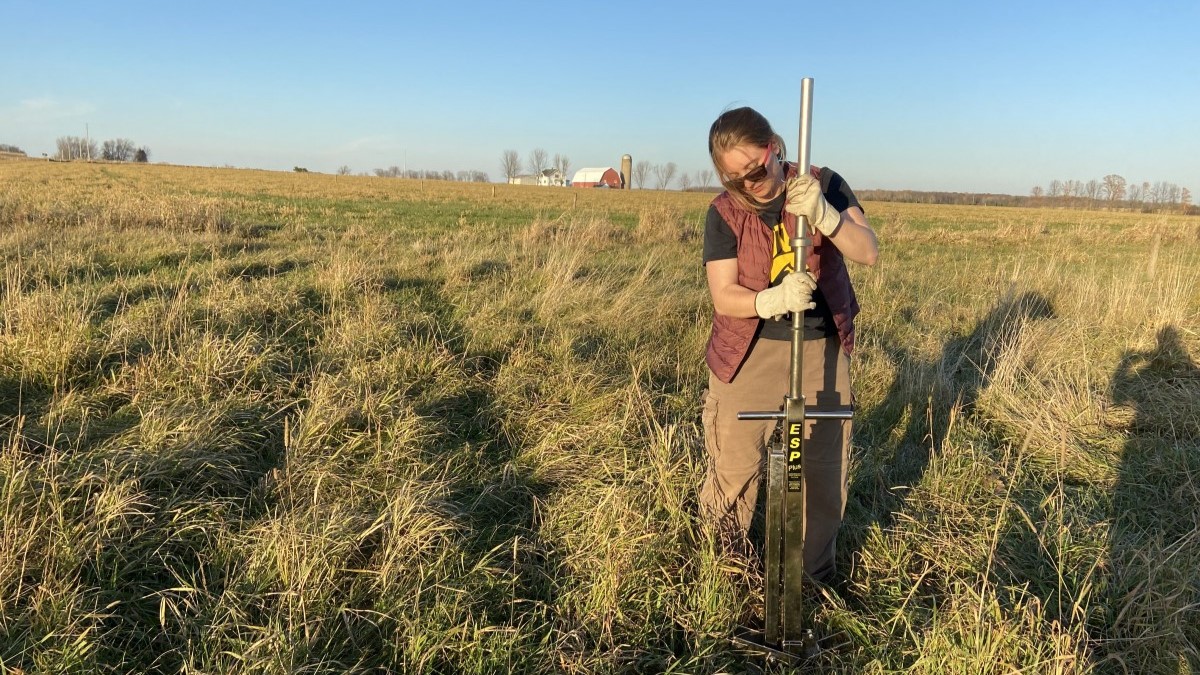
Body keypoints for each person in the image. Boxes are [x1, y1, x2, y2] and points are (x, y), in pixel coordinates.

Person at [699, 106, 879, 582]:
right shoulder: (724, 211)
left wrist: (824, 214)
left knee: (821, 471)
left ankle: (813, 578)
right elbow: (723, 294)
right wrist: (770, 299)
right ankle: (728, 575)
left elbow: (869, 251)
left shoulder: (825, 183)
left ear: (774, 148)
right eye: (732, 178)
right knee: (734, 468)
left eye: (754, 172)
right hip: (748, 351)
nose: (746, 185)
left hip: (820, 347)